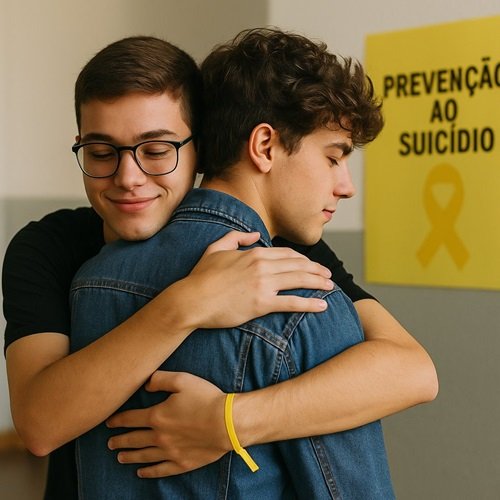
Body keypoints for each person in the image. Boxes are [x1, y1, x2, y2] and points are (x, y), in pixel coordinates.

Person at [1, 34, 437, 499]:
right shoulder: (52, 248)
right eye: (102, 153)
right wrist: (185, 304)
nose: (129, 178)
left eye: (156, 150)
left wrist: (227, 420)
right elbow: (41, 426)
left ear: (199, 148)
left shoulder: (290, 252)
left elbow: (411, 369)